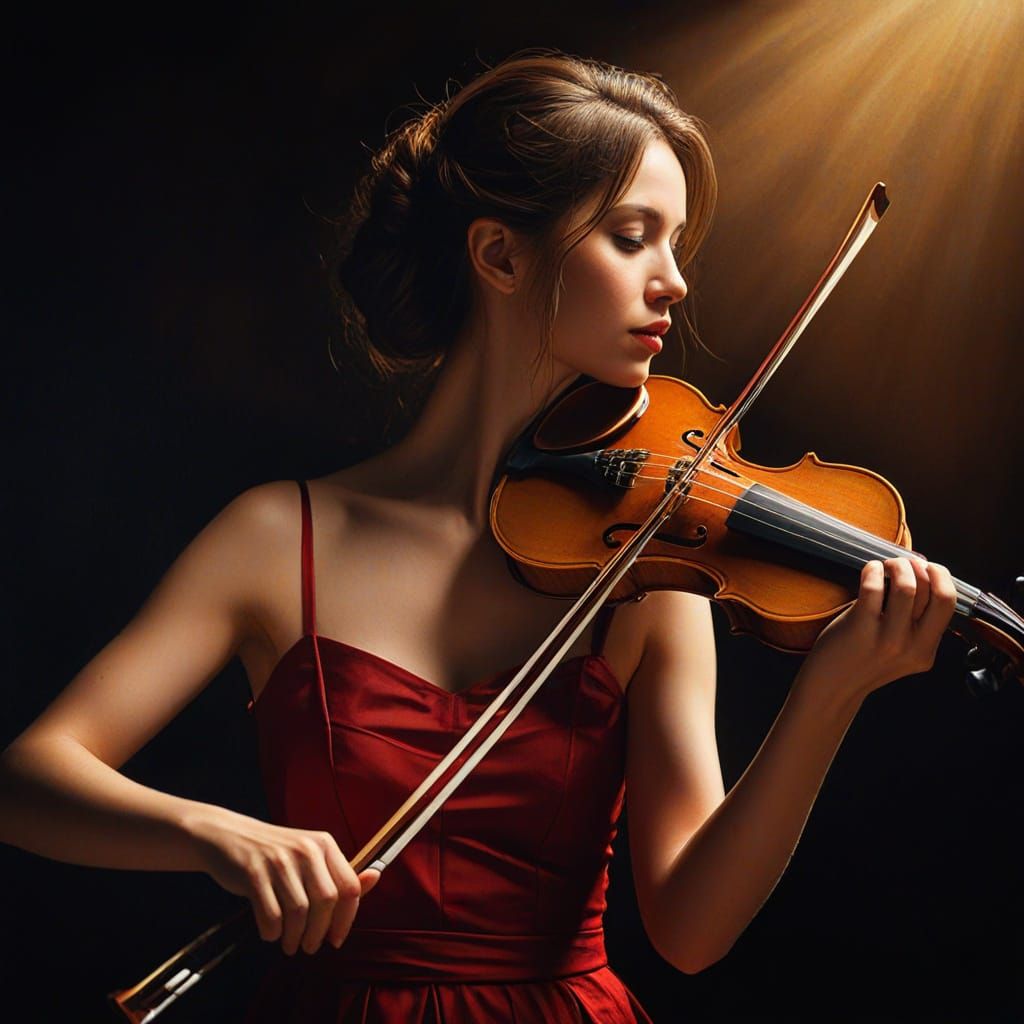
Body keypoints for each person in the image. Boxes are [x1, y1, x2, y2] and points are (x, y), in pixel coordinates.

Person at [0, 49, 957, 1023]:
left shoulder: (651, 567)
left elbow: (691, 928)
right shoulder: (274, 537)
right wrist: (210, 833)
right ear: (500, 256)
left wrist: (828, 692)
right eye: (634, 238)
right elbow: (29, 780)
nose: (673, 281)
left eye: (677, 246)